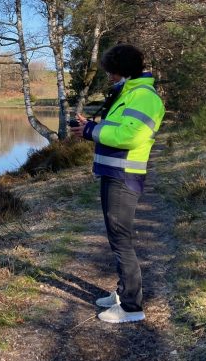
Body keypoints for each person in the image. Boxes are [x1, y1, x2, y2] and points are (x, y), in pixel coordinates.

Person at [69, 44, 165, 324]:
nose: (109, 77)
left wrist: (90, 131)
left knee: (121, 240)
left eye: (112, 71)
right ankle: (124, 293)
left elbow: (130, 136)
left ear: (123, 70)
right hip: (114, 173)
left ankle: (133, 307)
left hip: (124, 176)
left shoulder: (144, 97)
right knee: (115, 238)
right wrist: (91, 126)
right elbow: (117, 128)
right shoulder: (130, 93)